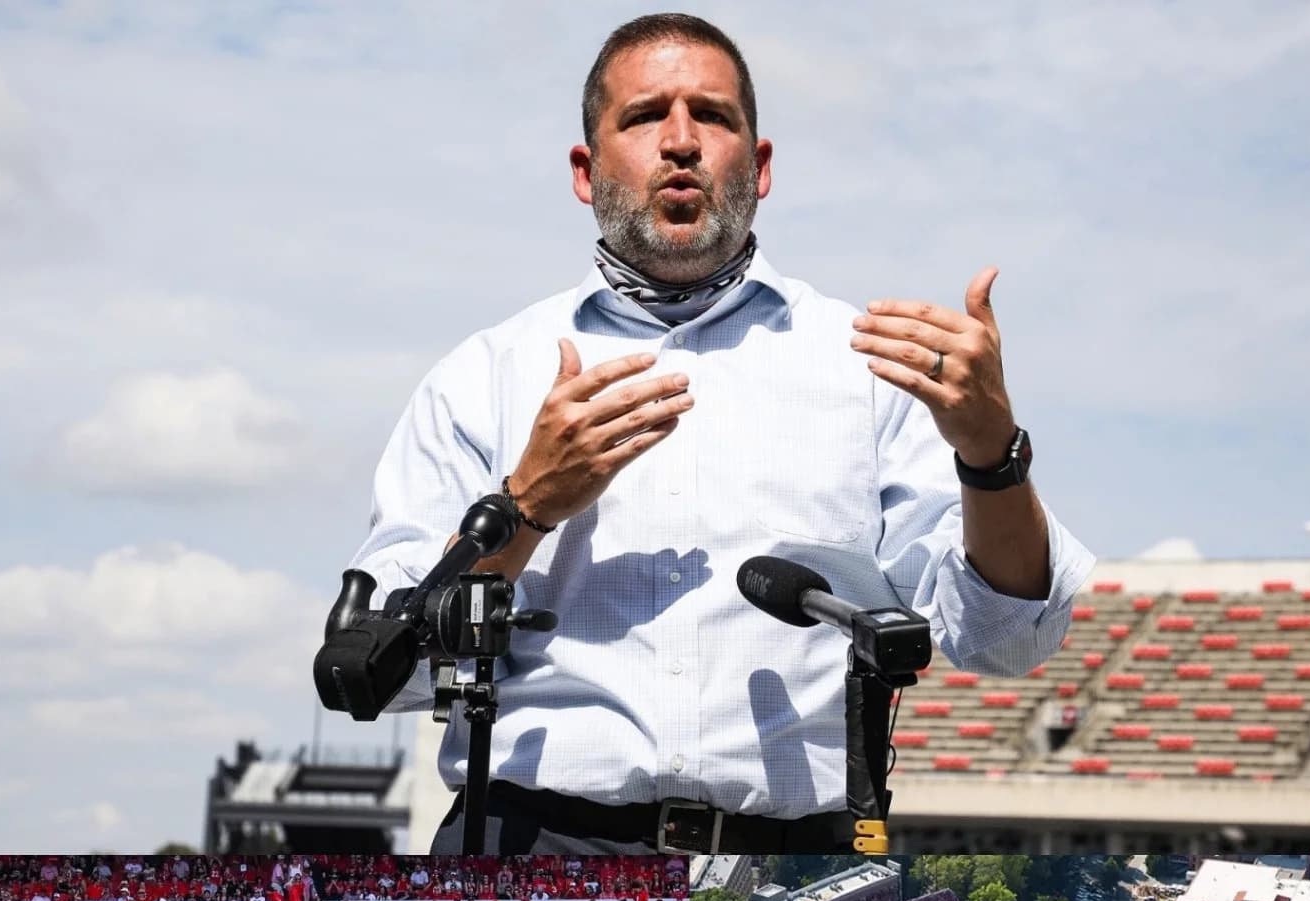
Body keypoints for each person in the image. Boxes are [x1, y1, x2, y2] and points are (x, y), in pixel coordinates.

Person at [347, 12, 1092, 854]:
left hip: (797, 857)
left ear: (760, 165)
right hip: (536, 843)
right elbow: (385, 670)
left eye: (712, 115)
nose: (679, 142)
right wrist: (525, 507)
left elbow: (1010, 639)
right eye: (642, 117)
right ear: (584, 172)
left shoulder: (866, 367)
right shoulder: (483, 376)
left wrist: (991, 454)